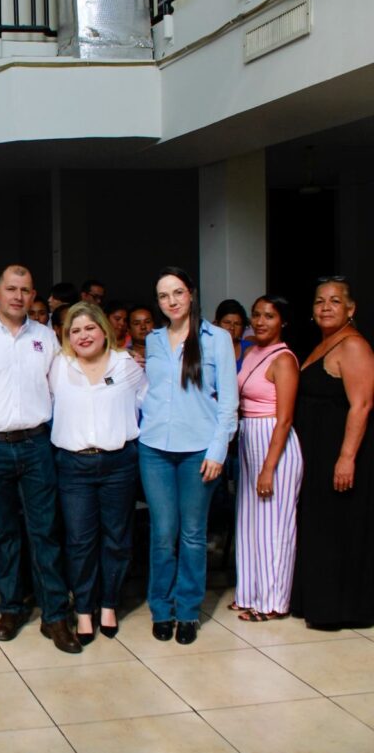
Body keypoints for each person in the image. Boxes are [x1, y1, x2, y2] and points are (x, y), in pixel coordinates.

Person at [0, 264, 80, 653]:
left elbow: (63, 387)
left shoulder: (47, 337)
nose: (18, 296)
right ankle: (11, 608)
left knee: (44, 531)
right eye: (11, 289)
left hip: (37, 444)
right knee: (2, 532)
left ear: (34, 297)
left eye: (26, 290)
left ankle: (54, 615)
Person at [139, 267, 238, 646]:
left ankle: (187, 611)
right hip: (154, 451)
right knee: (163, 533)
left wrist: (218, 450)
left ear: (191, 294)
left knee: (193, 535)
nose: (172, 302)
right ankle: (161, 609)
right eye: (164, 296)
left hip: (199, 450)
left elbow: (229, 402)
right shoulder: (153, 340)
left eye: (178, 293)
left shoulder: (217, 340)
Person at [49, 303, 144, 644]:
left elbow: (150, 404)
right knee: (79, 541)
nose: (83, 335)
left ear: (105, 330)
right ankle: (85, 609)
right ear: (67, 337)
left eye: (90, 328)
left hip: (119, 463)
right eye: (75, 331)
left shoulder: (127, 364)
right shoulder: (59, 366)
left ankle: (109, 604)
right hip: (73, 466)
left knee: (117, 539)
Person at [290, 277, 374, 628]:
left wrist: (346, 457)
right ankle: (315, 601)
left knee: (337, 531)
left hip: (339, 454)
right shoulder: (324, 344)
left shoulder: (353, 346)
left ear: (351, 309)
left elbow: (362, 405)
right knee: (320, 529)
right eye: (319, 301)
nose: (325, 307)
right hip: (316, 452)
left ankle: (339, 609)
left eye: (335, 301)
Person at [230, 296, 302, 622]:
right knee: (249, 520)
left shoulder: (284, 359)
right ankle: (249, 593)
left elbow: (285, 418)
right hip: (249, 438)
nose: (260, 321)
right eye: (256, 315)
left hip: (275, 441)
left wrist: (269, 468)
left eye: (269, 316)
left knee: (273, 525)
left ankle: (273, 603)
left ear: (282, 322)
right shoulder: (250, 351)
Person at [214, 299, 252, 371]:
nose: (232, 327)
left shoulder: (250, 348)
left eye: (237, 324)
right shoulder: (207, 348)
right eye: (227, 322)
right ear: (217, 324)